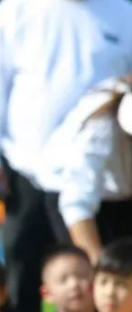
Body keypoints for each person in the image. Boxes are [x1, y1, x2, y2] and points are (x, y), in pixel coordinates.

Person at [0, 0, 132, 312]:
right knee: (28, 272)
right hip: (30, 169)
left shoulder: (123, 11)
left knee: (108, 286)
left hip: (109, 190)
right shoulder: (15, 10)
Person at [38, 75, 132, 263]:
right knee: (88, 271)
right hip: (71, 195)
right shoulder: (100, 128)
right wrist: (98, 269)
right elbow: (77, 205)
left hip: (122, 197)